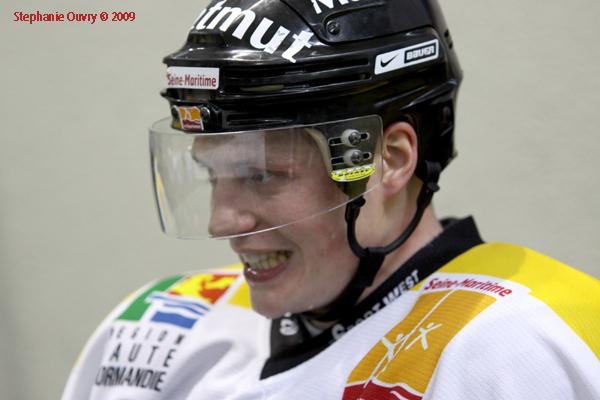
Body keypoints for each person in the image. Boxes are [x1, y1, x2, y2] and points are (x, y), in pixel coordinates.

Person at [62, 0, 600, 399]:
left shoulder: (522, 345)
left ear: (389, 158)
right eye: (211, 175)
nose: (221, 222)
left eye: (260, 174)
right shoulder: (152, 329)